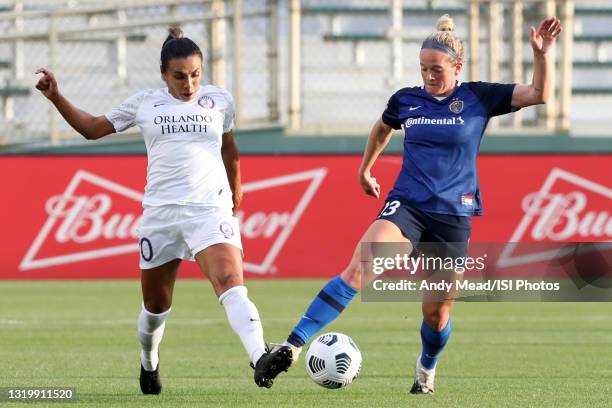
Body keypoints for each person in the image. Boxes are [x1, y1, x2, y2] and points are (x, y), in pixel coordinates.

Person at [258, 14, 562, 393]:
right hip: (408, 208)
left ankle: (425, 369)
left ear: (457, 67)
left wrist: (543, 55)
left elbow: (539, 93)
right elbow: (383, 126)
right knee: (357, 271)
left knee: (436, 315)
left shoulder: (479, 97)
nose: (429, 76)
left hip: (453, 218)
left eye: (436, 69)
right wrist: (365, 168)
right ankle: (292, 345)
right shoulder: (406, 100)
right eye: (423, 69)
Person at [34, 27, 292, 394]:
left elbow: (229, 146)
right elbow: (92, 129)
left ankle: (259, 356)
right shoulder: (145, 104)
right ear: (163, 74)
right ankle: (149, 362)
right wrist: (56, 97)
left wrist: (237, 185)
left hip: (209, 210)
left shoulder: (219, 100)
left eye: (195, 74)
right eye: (180, 76)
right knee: (156, 307)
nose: (189, 84)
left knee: (231, 283)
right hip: (161, 216)